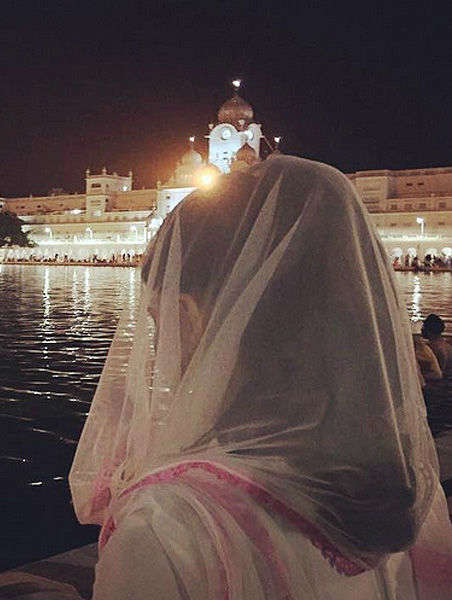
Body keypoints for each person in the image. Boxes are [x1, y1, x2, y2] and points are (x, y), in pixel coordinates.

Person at [70, 156, 452, 599]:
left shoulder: (169, 531)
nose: (160, 351)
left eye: (160, 324)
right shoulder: (403, 494)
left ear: (191, 317)